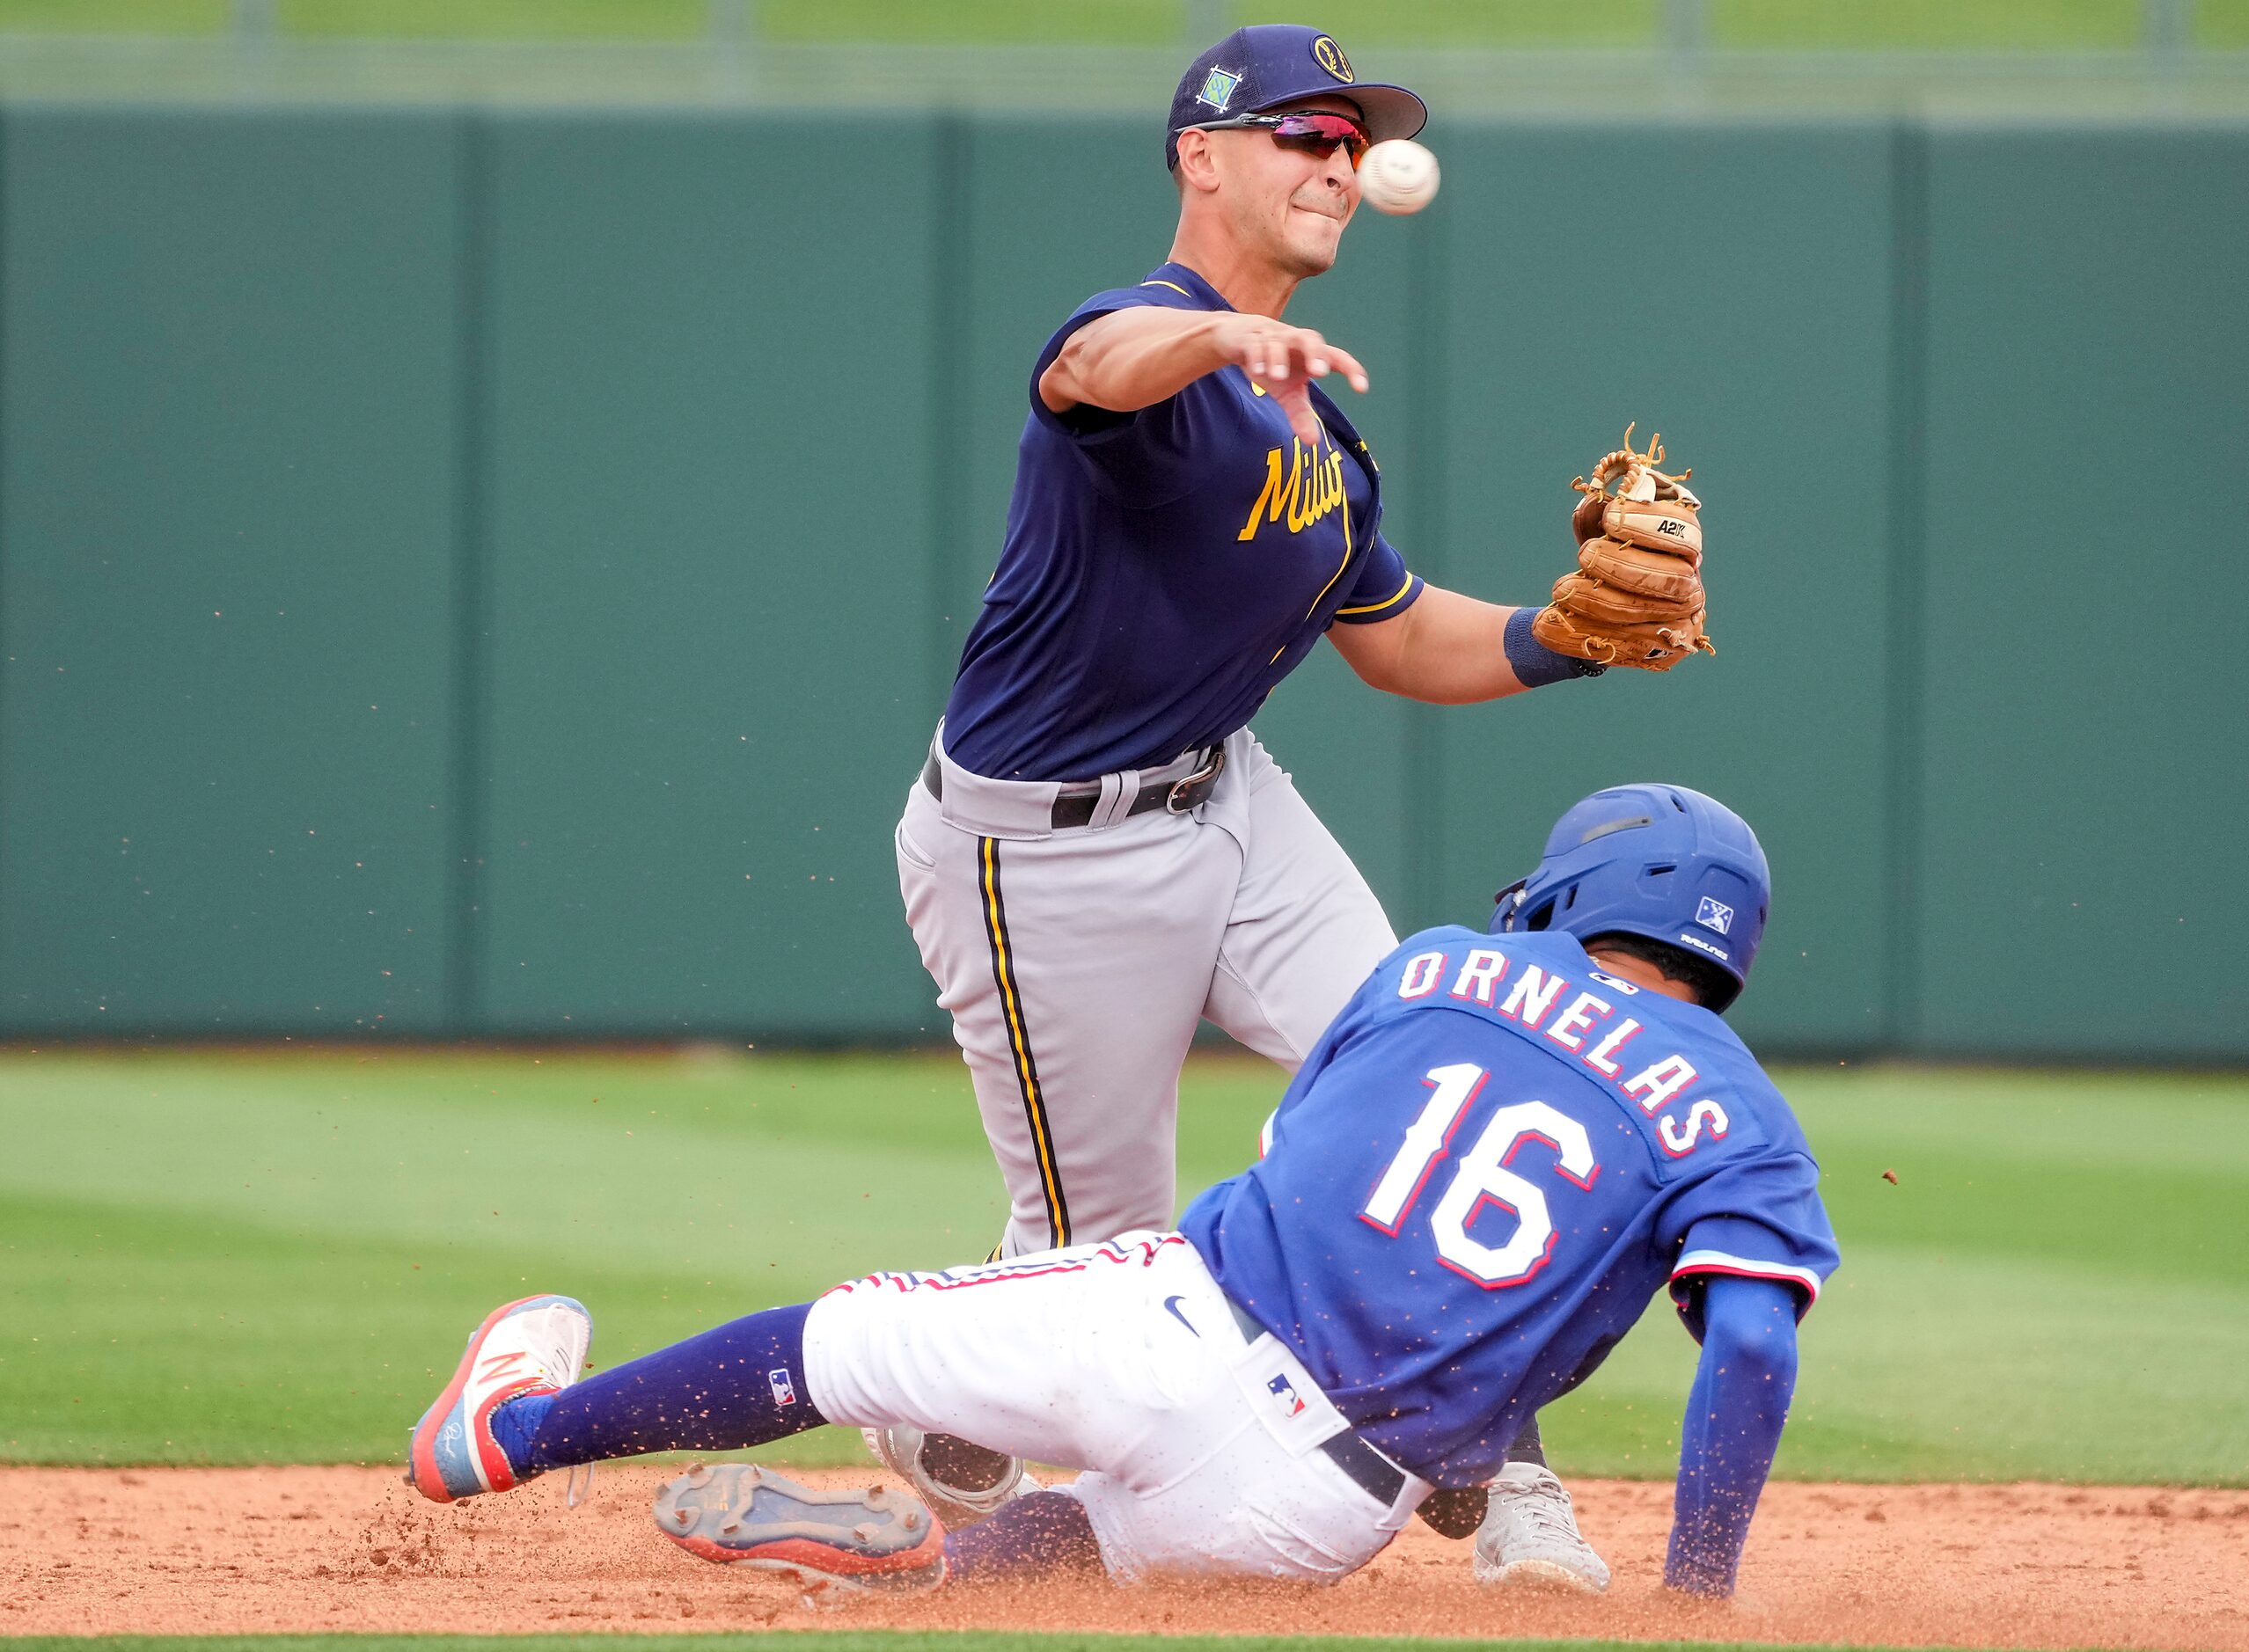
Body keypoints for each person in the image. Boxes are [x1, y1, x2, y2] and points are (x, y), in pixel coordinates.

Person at [887, 22, 1689, 1586]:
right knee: (1100, 1277)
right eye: (1299, 135)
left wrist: (1569, 635)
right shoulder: (1157, 344)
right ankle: (929, 1389)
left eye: (1350, 137)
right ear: (1201, 157)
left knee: (1416, 1078)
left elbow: (1394, 640)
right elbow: (1091, 366)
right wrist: (1215, 343)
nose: (1338, 161)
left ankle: (1499, 1472)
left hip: (1230, 797)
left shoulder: (1321, 424)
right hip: (1047, 849)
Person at [411, 785, 1835, 1601]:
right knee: (1094, 1549)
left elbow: (1329, 1172)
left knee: (841, 1340)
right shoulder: (1745, 1122)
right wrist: (1691, 1596)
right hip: (1325, 1505)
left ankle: (510, 1433)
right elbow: (1752, 1345)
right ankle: (926, 1581)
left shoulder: (1437, 963)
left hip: (1184, 1322)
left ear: (1574, 891)